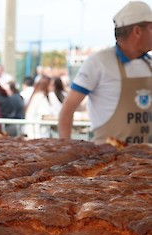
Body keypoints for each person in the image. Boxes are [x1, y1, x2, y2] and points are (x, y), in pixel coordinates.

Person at [59, 1, 152, 144]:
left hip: (146, 157)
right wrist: (64, 148)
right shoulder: (98, 62)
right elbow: (67, 109)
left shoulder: (149, 63)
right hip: (109, 160)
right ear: (137, 31)